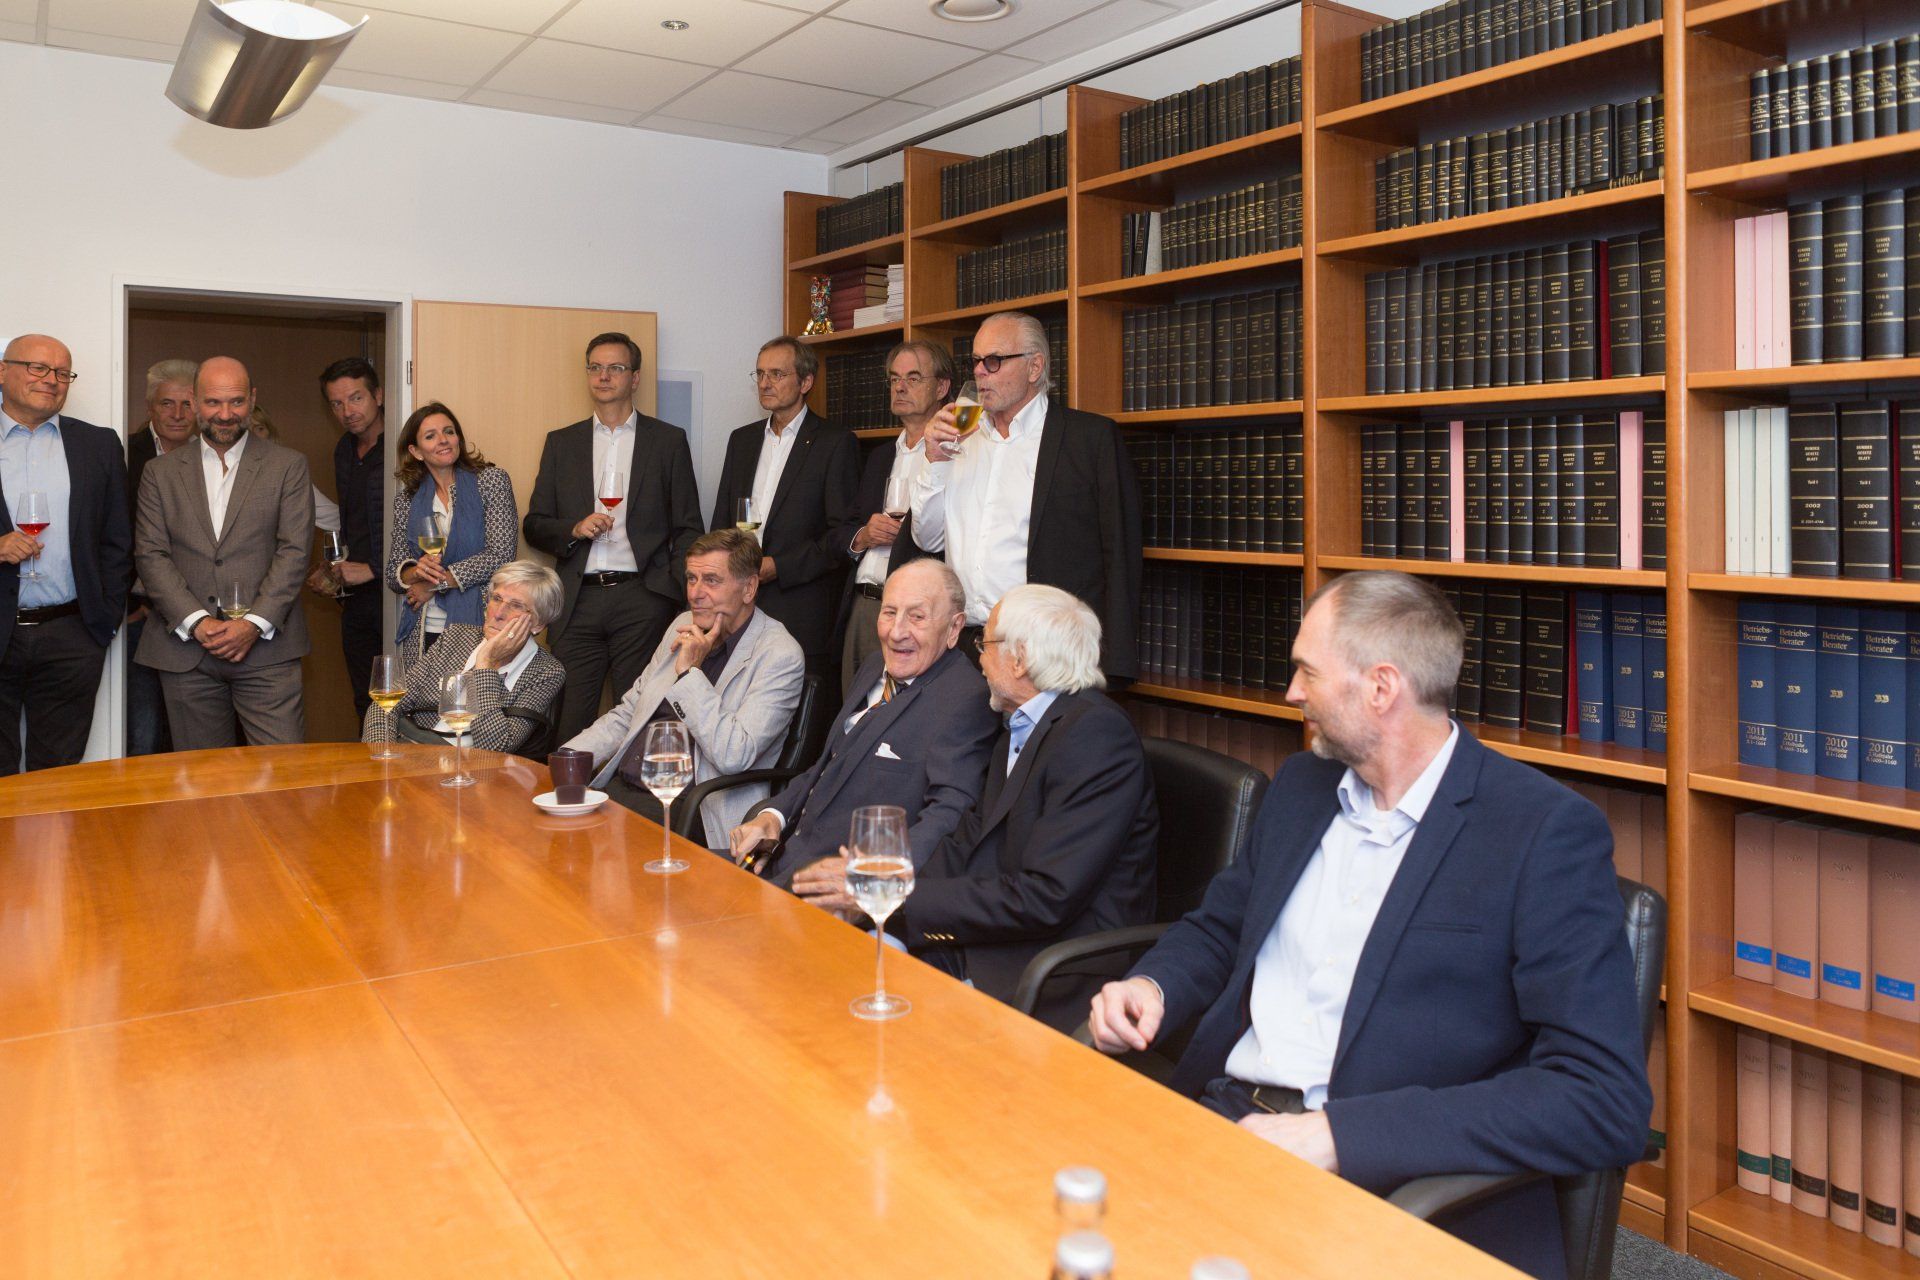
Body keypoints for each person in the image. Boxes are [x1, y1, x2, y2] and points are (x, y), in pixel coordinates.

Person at [1086, 571, 1651, 1279]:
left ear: (1381, 688)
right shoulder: (1302, 787)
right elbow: (1223, 927)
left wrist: (1339, 1137)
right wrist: (1154, 985)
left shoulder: (1541, 833)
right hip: (1227, 1123)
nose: (1291, 693)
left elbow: (1602, 1097)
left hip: (1390, 1183)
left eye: (1307, 671)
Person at [795, 583, 1156, 1030]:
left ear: (1019, 659)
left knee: (865, 1016)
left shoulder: (1095, 736)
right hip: (990, 937)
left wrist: (901, 898)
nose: (979, 659)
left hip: (1053, 965)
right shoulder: (1022, 723)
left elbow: (1046, 897)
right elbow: (967, 841)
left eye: (985, 645)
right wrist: (884, 887)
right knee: (830, 976)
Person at [731, 557, 997, 886]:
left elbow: (948, 815)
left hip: (837, 889)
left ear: (954, 628)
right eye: (889, 612)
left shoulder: (967, 698)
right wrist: (772, 817)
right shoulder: (874, 666)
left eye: (917, 617)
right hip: (779, 859)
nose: (896, 632)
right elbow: (828, 767)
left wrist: (870, 880)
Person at [912, 311, 1143, 680]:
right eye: (975, 361)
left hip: (1046, 650)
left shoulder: (1089, 439)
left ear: (1035, 367)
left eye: (993, 360)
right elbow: (927, 539)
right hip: (963, 648)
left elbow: (1120, 553)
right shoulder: (958, 438)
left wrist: (1116, 663)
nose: (980, 372)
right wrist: (934, 461)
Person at [564, 529, 803, 846]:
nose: (695, 593)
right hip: (625, 788)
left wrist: (690, 673)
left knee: (578, 849)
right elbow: (629, 712)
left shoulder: (779, 654)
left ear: (749, 588)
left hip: (692, 807)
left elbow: (734, 754)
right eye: (691, 579)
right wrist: (569, 758)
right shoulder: (681, 624)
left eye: (711, 581)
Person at [523, 332, 703, 745]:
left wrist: (673, 590)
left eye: (615, 368)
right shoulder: (561, 442)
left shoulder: (667, 441)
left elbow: (689, 527)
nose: (603, 376)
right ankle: (567, 788)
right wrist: (572, 529)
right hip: (577, 601)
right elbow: (534, 524)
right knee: (570, 725)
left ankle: (629, 791)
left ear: (634, 377)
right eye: (596, 367)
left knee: (641, 720)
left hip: (644, 598)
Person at [133, 355, 313, 748]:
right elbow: (150, 554)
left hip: (267, 652)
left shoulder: (288, 466)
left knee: (282, 772)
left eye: (236, 402)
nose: (226, 414)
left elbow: (295, 552)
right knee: (203, 777)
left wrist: (253, 624)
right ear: (195, 401)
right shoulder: (159, 473)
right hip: (186, 652)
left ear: (253, 399)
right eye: (213, 402)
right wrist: (197, 622)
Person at [0, 334, 131, 772]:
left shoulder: (99, 444)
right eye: (38, 368)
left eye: (62, 373)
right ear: (3, 371)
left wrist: (102, 622)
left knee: (57, 775)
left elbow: (118, 540)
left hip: (71, 635)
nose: (51, 380)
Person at [707, 336, 860, 667]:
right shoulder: (742, 440)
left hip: (799, 606)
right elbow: (724, 520)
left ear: (806, 382)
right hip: (739, 602)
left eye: (777, 374)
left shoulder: (835, 443)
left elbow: (840, 535)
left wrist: (779, 566)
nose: (765, 383)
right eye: (760, 374)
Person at [361, 560, 565, 755]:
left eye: (516, 605)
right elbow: (386, 706)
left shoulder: (546, 671)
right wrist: (381, 756)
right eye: (496, 598)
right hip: (410, 753)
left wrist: (486, 664)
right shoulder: (457, 636)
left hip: (472, 771)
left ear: (538, 623)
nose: (498, 613)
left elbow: (495, 748)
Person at [837, 339, 949, 696]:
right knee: (854, 715)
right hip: (863, 607)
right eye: (894, 379)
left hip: (916, 614)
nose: (900, 387)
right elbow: (844, 528)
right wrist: (864, 536)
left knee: (903, 715)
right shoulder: (880, 456)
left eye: (913, 378)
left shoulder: (956, 454)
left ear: (942, 388)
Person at [384, 402, 516, 664]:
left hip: (482, 622)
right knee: (424, 693)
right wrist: (416, 571)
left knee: (474, 690)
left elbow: (501, 556)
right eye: (430, 436)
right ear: (416, 451)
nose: (443, 440)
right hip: (424, 627)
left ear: (458, 438)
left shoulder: (491, 481)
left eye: (449, 431)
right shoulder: (407, 500)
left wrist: (435, 584)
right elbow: (393, 575)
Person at [125, 357, 198, 756]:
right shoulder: (124, 453)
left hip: (200, 612)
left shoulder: (214, 456)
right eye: (168, 403)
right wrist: (130, 604)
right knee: (144, 730)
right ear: (150, 407)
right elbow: (112, 533)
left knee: (191, 732)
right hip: (141, 614)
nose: (178, 414)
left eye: (188, 404)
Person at [316, 356, 385, 717]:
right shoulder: (343, 449)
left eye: (356, 398)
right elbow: (353, 519)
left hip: (397, 594)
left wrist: (373, 568)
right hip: (356, 599)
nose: (347, 411)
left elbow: (420, 529)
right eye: (336, 403)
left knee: (397, 699)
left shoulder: (403, 449)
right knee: (365, 699)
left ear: (378, 395)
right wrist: (334, 567)